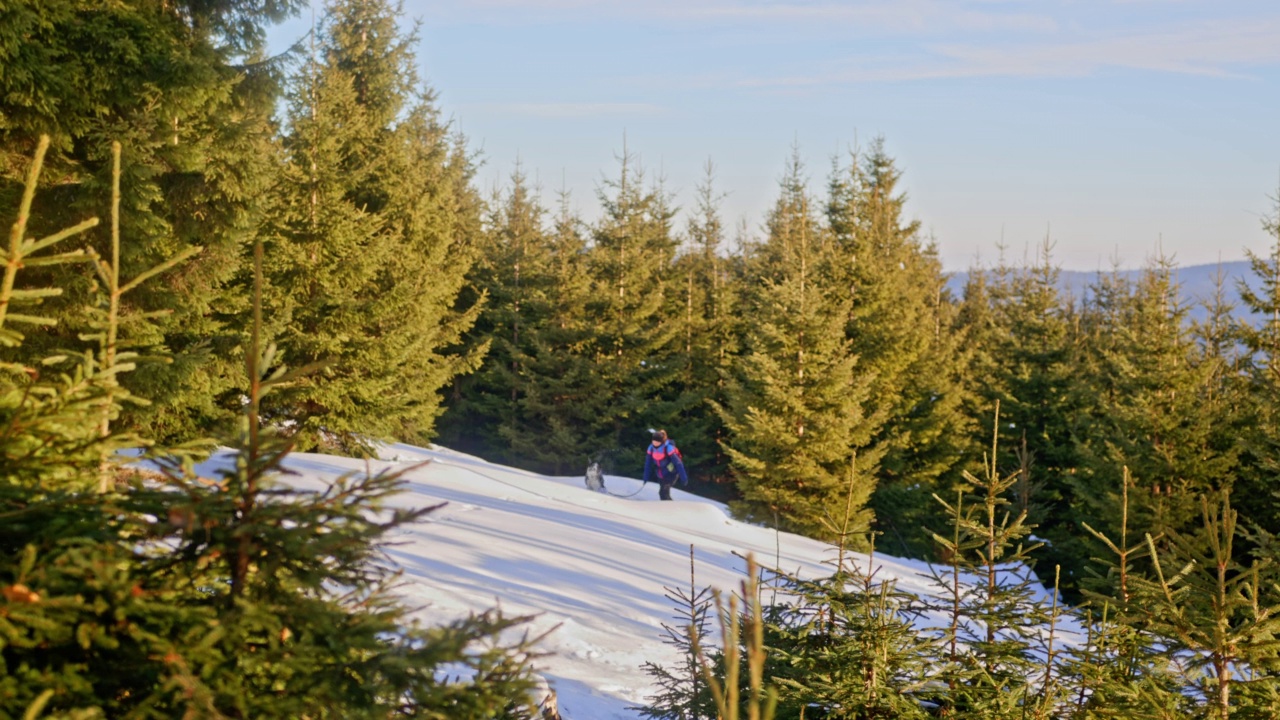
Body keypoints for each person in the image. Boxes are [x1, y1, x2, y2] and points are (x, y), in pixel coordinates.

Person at [643, 429, 688, 501]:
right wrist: (646, 477)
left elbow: (678, 463)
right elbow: (647, 463)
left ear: (661, 441)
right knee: (663, 493)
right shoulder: (651, 448)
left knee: (663, 492)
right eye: (654, 441)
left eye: (657, 441)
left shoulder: (668, 448)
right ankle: (666, 508)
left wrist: (684, 478)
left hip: (671, 473)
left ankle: (669, 508)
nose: (655, 443)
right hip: (661, 473)